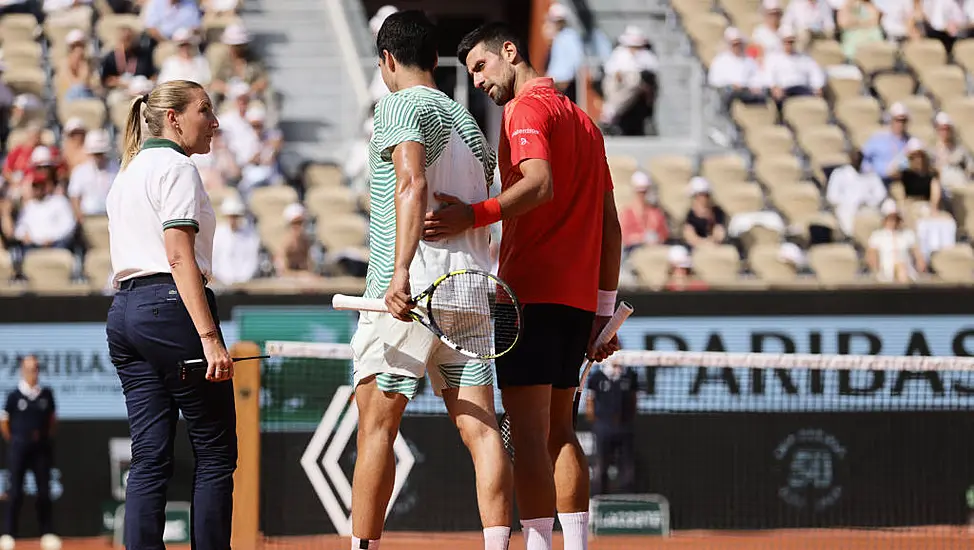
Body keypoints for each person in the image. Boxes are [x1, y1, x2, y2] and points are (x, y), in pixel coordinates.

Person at [426, 22, 623, 550]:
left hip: (529, 296)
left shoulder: (525, 109)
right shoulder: (585, 121)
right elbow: (611, 223)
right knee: (561, 432)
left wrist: (473, 215)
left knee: (532, 437)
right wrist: (602, 310)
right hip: (577, 302)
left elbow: (538, 185)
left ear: (509, 51)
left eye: (482, 67)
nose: (480, 81)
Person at [349, 11, 513, 550]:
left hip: (411, 294)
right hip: (468, 293)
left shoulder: (399, 104)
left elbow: (411, 183)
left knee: (376, 428)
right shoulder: (470, 124)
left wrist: (398, 272)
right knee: (483, 431)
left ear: (388, 61)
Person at [103, 79, 234, 550]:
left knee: (150, 456)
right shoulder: (176, 167)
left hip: (124, 313)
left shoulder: (127, 173)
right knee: (216, 454)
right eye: (205, 110)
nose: (214, 122)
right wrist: (209, 336)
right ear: (174, 118)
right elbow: (178, 255)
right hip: (171, 308)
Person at [0, 356, 59, 550]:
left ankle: (47, 533)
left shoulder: (46, 395)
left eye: (35, 369)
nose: (32, 373)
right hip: (19, 450)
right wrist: (17, 440)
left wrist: (41, 438)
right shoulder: (13, 396)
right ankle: (8, 534)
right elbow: (4, 423)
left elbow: (52, 420)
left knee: (44, 492)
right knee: (15, 491)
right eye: (28, 369)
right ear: (21, 371)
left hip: (41, 450)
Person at [585, 361, 638, 495]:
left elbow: (633, 399)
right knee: (601, 464)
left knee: (627, 466)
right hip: (603, 427)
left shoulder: (630, 375)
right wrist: (597, 422)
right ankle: (599, 497)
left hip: (624, 427)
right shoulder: (596, 376)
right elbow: (590, 400)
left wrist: (627, 420)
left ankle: (628, 498)